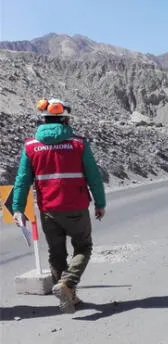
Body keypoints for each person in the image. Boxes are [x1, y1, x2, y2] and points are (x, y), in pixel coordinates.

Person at [12, 98, 106, 314]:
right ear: (64, 119)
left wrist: (18, 208)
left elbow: (22, 179)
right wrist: (100, 203)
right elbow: (94, 177)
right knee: (83, 247)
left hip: (48, 209)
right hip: (76, 207)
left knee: (56, 253)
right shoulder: (78, 144)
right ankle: (68, 284)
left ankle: (69, 296)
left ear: (42, 120)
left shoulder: (31, 146)